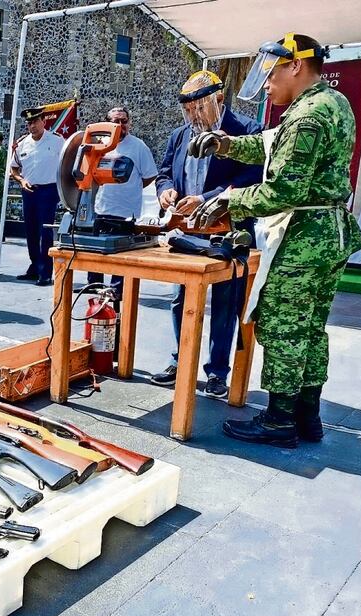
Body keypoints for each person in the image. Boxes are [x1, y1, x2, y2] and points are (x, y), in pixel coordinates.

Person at [190, 34, 361, 448]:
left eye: (271, 74)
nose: (266, 84)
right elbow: (271, 144)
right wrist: (226, 143)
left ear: (296, 66)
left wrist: (227, 201)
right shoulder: (331, 103)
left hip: (305, 240)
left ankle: (278, 421)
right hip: (329, 235)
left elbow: (283, 190)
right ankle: (308, 416)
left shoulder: (306, 117)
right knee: (311, 329)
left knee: (285, 328)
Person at [152, 72, 264, 396]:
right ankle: (180, 359)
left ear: (217, 101)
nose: (193, 118)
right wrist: (167, 190)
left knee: (226, 304)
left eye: (198, 109)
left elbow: (251, 178)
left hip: (231, 231)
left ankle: (217, 372)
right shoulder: (179, 135)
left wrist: (204, 198)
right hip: (187, 232)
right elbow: (163, 173)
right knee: (180, 299)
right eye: (187, 112)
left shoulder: (246, 131)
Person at [87, 106, 158, 295]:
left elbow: (149, 176)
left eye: (123, 121)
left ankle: (117, 293)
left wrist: (130, 187)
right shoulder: (99, 144)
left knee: (122, 258)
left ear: (129, 123)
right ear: (107, 124)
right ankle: (94, 288)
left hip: (127, 213)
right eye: (115, 121)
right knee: (96, 255)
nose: (120, 125)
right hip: (101, 209)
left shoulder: (138, 146)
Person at [10, 106, 64, 286]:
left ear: (43, 122)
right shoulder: (22, 143)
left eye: (35, 122)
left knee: (45, 231)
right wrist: (21, 180)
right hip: (28, 190)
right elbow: (14, 168)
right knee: (31, 231)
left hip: (48, 190)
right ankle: (34, 266)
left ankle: (46, 272)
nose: (32, 126)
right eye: (29, 123)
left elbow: (67, 161)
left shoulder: (57, 141)